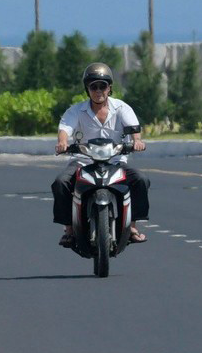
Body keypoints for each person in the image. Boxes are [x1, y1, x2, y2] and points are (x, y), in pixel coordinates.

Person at [53, 62, 150, 246]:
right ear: (87, 89)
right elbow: (65, 128)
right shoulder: (76, 111)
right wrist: (63, 142)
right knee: (61, 183)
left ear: (110, 88)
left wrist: (136, 141)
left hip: (115, 161)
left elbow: (132, 128)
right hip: (83, 162)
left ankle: (133, 227)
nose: (98, 90)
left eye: (102, 85)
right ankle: (69, 229)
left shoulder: (121, 108)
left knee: (140, 180)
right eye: (93, 86)